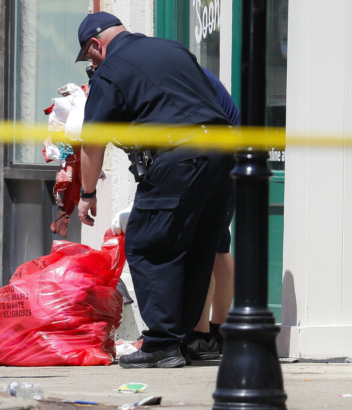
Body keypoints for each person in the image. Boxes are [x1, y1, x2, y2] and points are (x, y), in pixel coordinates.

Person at [75, 12, 234, 368]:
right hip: (222, 156)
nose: (92, 63)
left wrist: (87, 195)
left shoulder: (112, 69)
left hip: (181, 157)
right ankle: (183, 339)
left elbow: (92, 141)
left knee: (148, 244)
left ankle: (162, 343)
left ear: (97, 45)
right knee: (196, 248)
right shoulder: (172, 49)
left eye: (89, 56)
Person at [184, 67, 240, 360]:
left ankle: (202, 335)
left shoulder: (183, 76)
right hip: (225, 157)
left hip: (218, 159)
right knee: (218, 245)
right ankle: (217, 332)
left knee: (205, 246)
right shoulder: (188, 71)